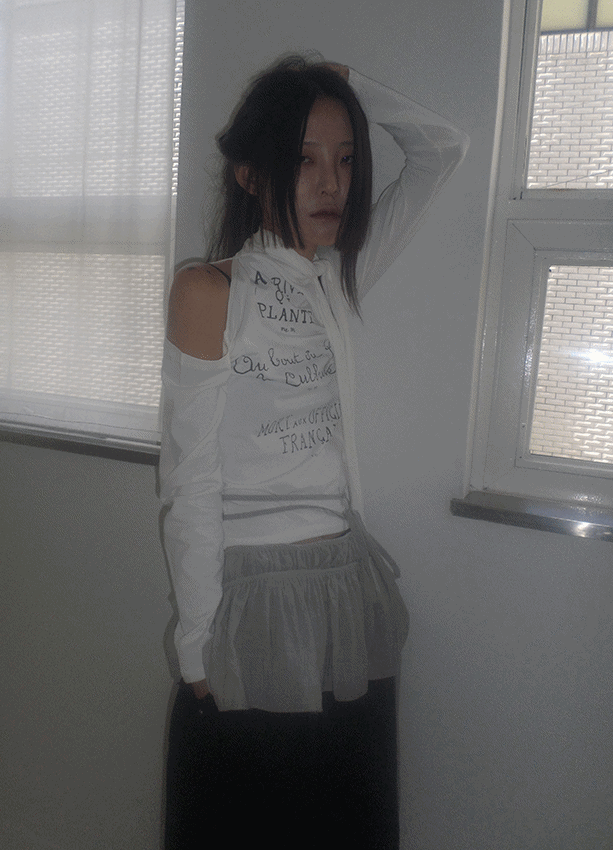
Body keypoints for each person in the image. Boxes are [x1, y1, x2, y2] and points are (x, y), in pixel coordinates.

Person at [159, 57, 468, 849]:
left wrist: (353, 83)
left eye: (346, 159)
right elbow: (190, 480)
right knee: (255, 816)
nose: (332, 182)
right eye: (302, 159)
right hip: (255, 599)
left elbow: (442, 149)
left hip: (345, 585)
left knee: (343, 813)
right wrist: (195, 640)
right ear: (250, 173)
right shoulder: (210, 290)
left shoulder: (331, 277)